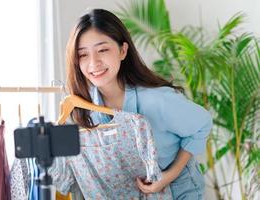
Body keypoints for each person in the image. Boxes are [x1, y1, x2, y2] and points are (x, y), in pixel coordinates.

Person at [65, 8, 212, 199]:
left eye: (103, 50)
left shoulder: (158, 100)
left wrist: (170, 175)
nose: (94, 63)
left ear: (123, 51)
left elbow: (202, 125)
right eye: (83, 54)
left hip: (179, 190)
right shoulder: (84, 112)